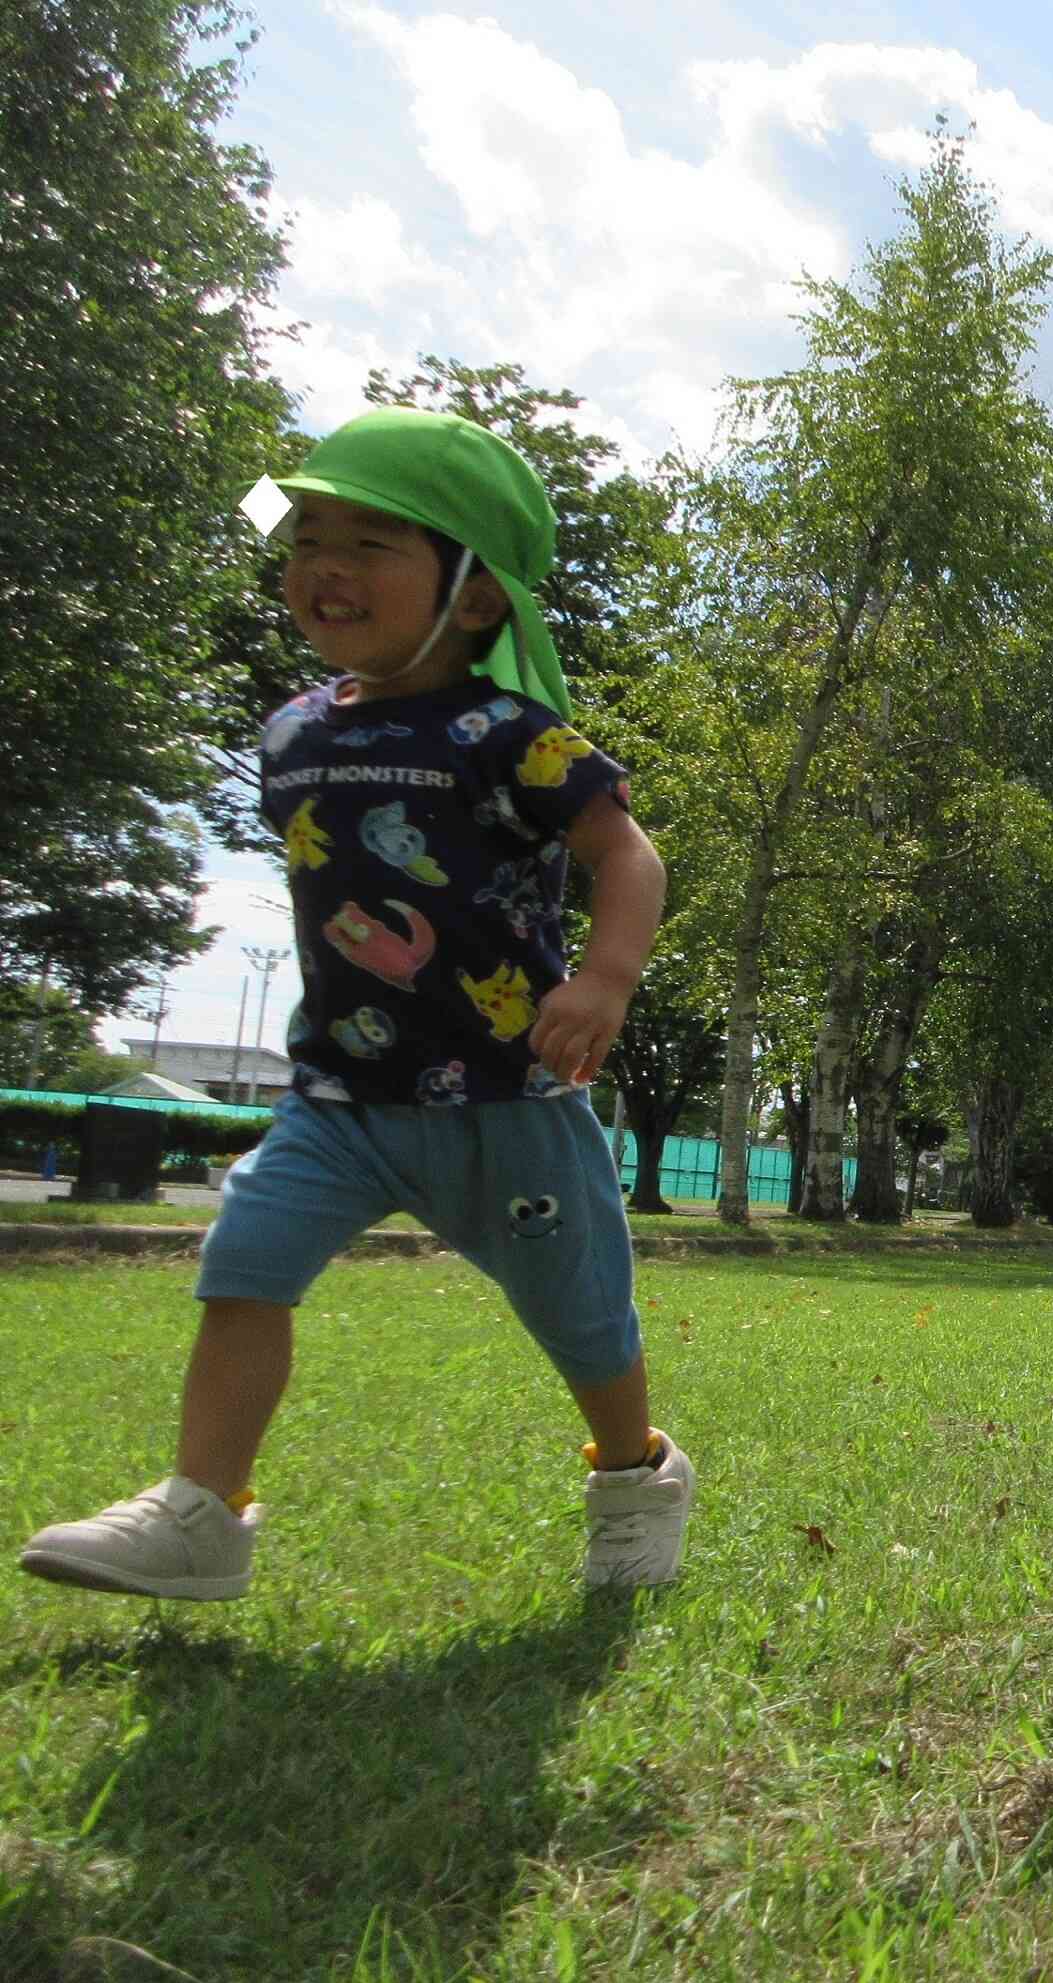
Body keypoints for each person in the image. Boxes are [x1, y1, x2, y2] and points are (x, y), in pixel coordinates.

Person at [18, 408, 692, 1602]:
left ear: (475, 597)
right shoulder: (292, 731)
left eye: (373, 541)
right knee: (243, 1264)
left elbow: (625, 855)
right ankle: (199, 1514)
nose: (325, 565)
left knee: (584, 1319)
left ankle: (634, 1474)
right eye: (305, 535)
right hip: (340, 1090)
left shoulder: (514, 737)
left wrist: (603, 980)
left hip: (507, 1092)